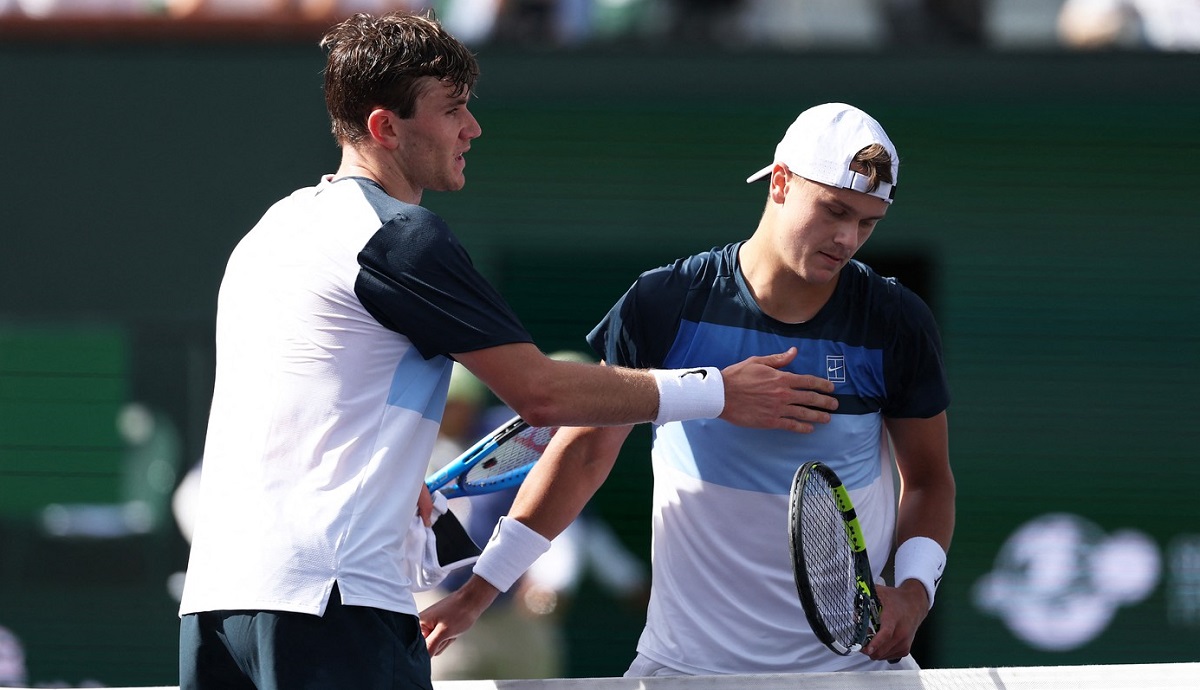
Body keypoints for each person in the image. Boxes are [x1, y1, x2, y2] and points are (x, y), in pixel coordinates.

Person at [176, 11, 837, 690]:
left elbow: (311, 410)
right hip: (333, 604)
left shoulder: (270, 233)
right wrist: (719, 392)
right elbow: (542, 393)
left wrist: (388, 491)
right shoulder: (400, 238)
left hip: (218, 604)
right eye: (453, 110)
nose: (472, 129)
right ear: (385, 128)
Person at [421, 102, 955, 676]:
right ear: (780, 182)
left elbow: (927, 479)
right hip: (682, 670)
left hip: (854, 674)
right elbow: (582, 453)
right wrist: (480, 592)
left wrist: (916, 589)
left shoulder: (897, 320)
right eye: (834, 210)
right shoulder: (664, 302)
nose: (848, 238)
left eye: (868, 223)